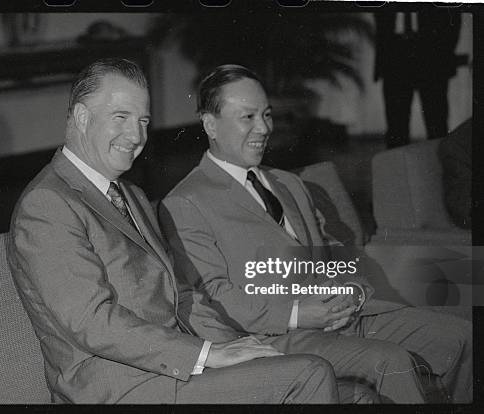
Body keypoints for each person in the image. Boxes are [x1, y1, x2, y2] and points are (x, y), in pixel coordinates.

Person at [6, 58, 339, 404]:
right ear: (81, 117)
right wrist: (207, 354)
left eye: (144, 121)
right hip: (118, 388)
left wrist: (230, 344)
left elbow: (178, 293)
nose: (136, 136)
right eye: (121, 118)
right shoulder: (48, 203)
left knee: (349, 391)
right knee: (310, 374)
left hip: (170, 369)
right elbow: (93, 323)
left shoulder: (129, 194)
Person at [159, 64, 472, 403]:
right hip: (284, 335)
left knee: (462, 335)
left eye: (266, 114)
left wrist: (352, 289)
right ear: (210, 124)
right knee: (390, 362)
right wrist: (297, 313)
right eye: (247, 117)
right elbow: (214, 294)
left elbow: (335, 252)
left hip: (352, 315)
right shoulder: (185, 202)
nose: (263, 128)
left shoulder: (289, 183)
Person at [374, 12, 462, 148]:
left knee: (436, 123)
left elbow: (453, 19)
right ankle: (398, 167)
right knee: (396, 127)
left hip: (431, 57)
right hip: (395, 57)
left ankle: (439, 166)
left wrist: (443, 55)